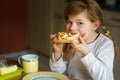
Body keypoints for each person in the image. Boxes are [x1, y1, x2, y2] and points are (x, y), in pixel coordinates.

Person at [49, 0, 119, 80]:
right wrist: (57, 53)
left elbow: (105, 77)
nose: (72, 28)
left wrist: (86, 53)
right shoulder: (72, 42)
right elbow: (57, 72)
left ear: (94, 25)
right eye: (69, 22)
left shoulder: (105, 45)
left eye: (80, 23)